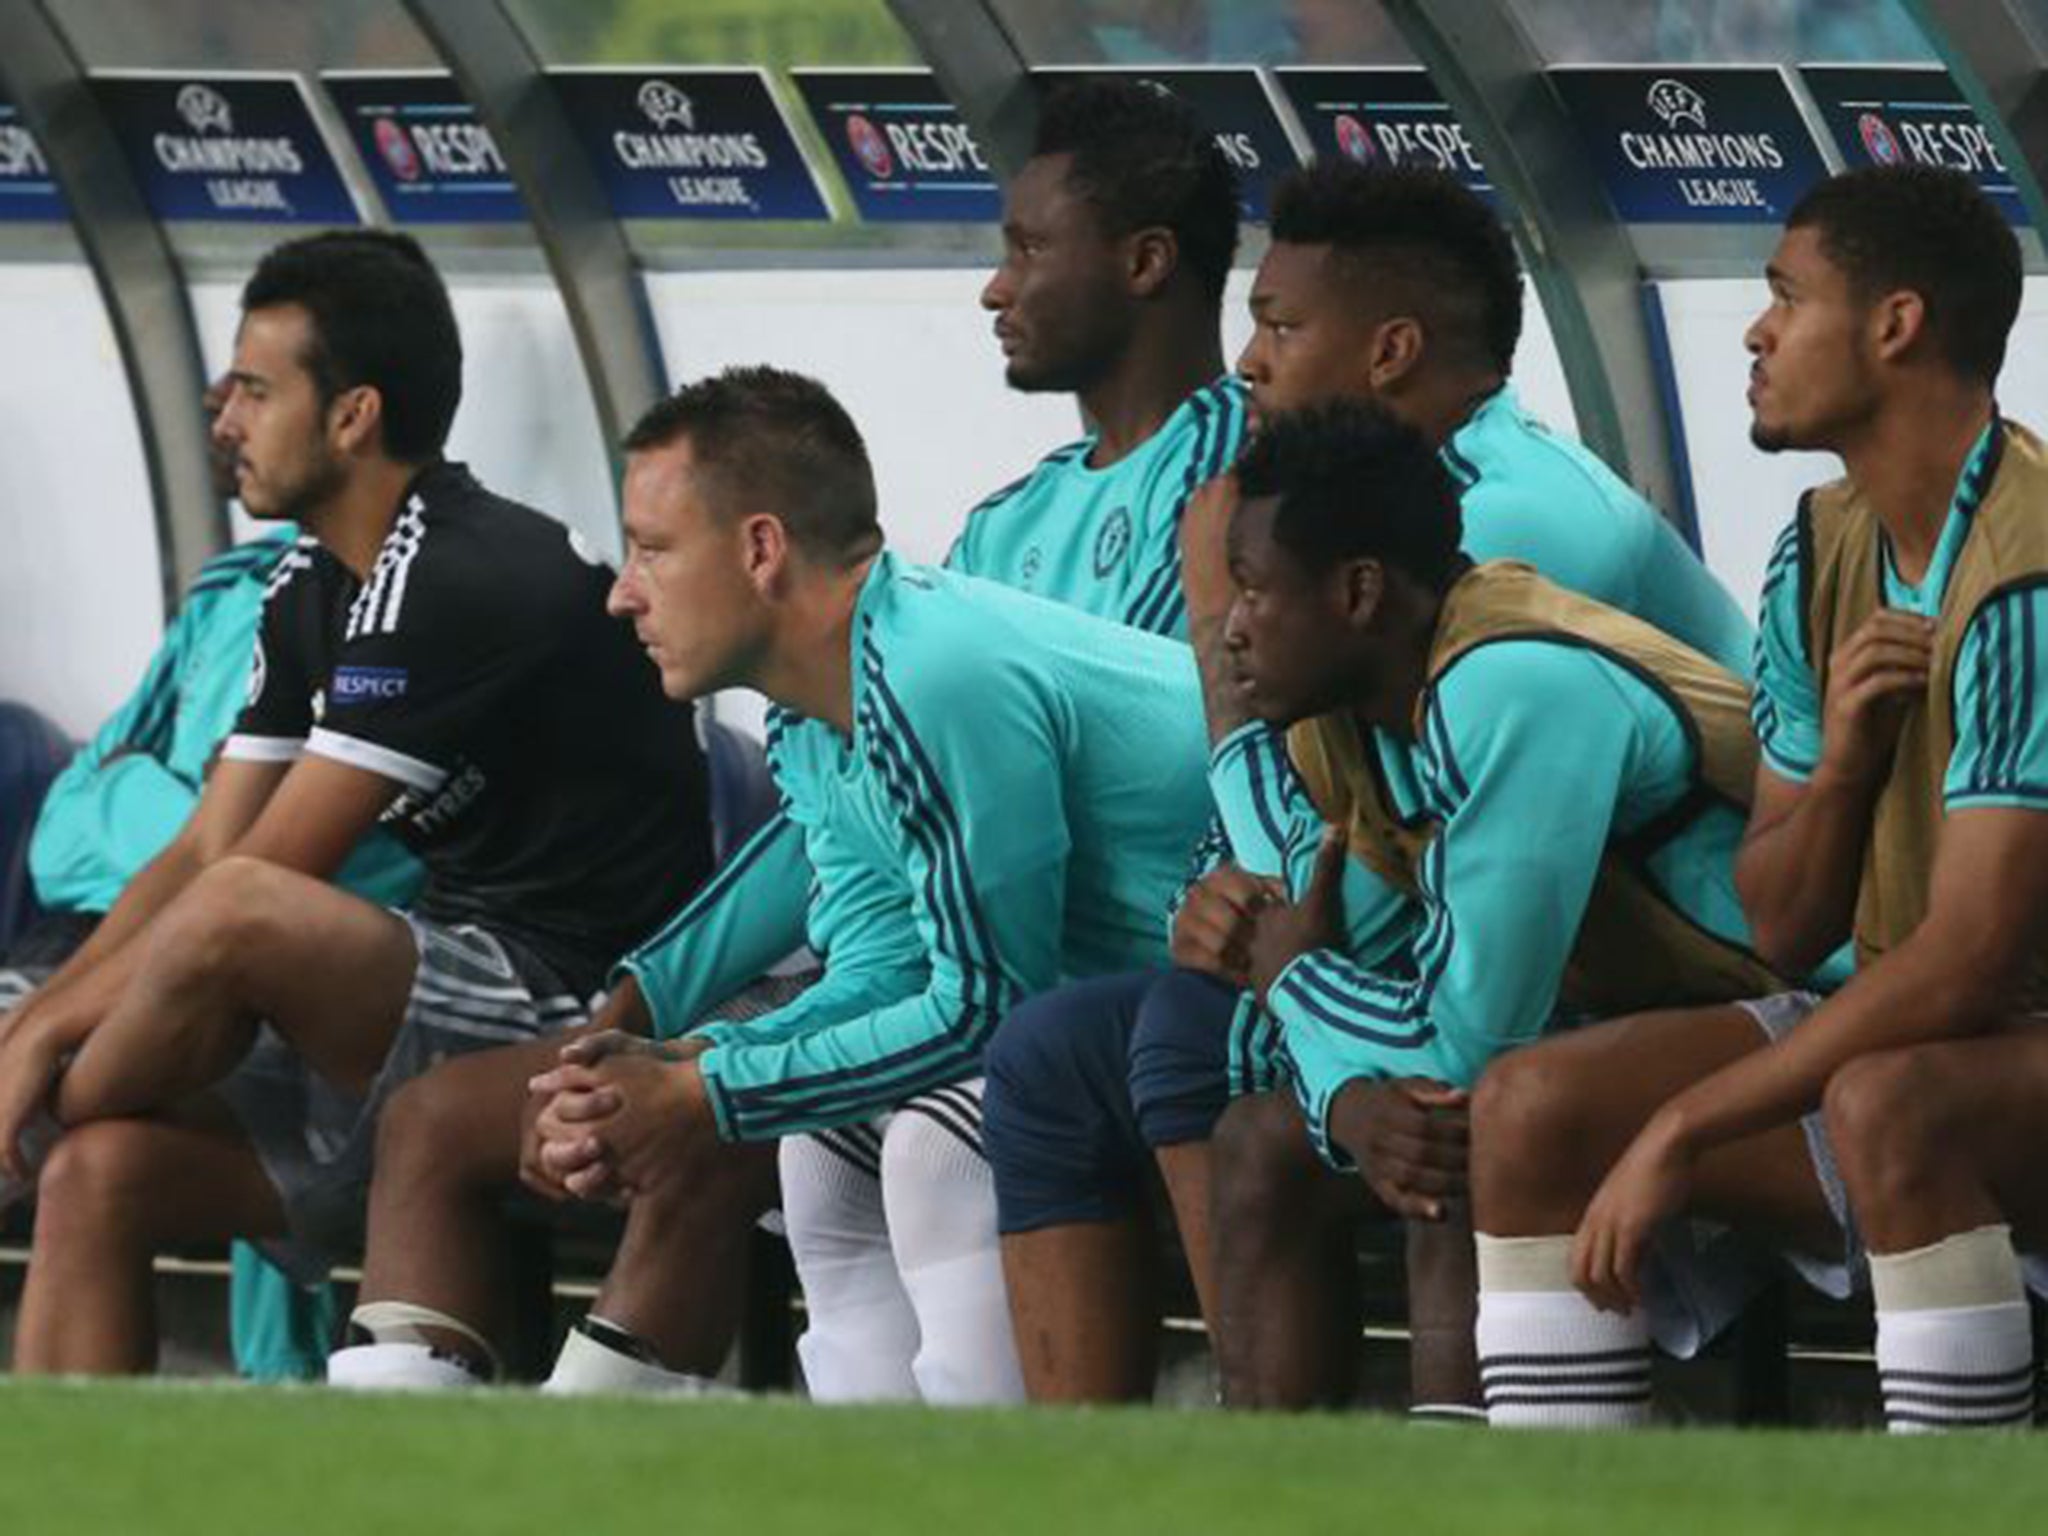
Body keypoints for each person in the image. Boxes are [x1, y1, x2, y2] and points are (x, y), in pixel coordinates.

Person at [341, 76, 1248, 1402]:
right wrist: (669, 1042)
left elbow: (983, 988)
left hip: (1218, 1002)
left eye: (650, 549)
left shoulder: (1204, 506)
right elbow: (882, 938)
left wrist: (701, 1082)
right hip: (1044, 1021)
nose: (619, 589)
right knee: (825, 1136)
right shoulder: (890, 639)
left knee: (930, 1133)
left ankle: (989, 1476)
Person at [979, 160, 1753, 1407]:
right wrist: (1239, 899)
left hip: (1704, 978)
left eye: (1280, 325)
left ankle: (1450, 1474)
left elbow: (1402, 949)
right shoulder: (1350, 534)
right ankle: (1217, 1486)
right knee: (1072, 1058)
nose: (1247, 364)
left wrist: (1286, 954)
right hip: (1544, 960)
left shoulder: (1495, 540)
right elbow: (1339, 848)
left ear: (1389, 349)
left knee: (1275, 1055)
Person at [0, 229, 714, 1374]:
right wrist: (33, 1030)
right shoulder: (308, 578)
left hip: (582, 1005)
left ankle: (30, 1115)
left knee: (240, 920)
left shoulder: (455, 571)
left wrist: (39, 1054)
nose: (223, 417)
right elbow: (199, 849)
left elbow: (259, 877)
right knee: (98, 1172)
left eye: (255, 388)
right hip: (428, 1001)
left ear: (352, 416)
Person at [1468, 165, 2048, 1432]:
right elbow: (1782, 929)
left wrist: (1686, 1122)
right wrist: (1841, 765)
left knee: (1886, 1100)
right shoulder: (1817, 544)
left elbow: (1969, 964)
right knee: (1528, 1104)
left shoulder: (2026, 574)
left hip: (1994, 1041)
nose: (1754, 328)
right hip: (1912, 1028)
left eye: (1785, 295)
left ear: (1893, 325)